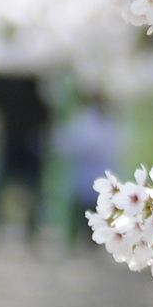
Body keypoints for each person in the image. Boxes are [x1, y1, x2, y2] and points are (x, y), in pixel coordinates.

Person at [0, 69, 51, 238]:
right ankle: (29, 227)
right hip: (24, 139)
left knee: (4, 186)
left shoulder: (11, 84)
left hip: (15, 137)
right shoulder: (32, 86)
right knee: (30, 187)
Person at [53, 92, 121, 244]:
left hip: (97, 173)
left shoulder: (105, 122)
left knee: (94, 210)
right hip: (86, 173)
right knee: (83, 210)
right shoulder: (88, 120)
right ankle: (78, 238)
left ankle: (87, 240)